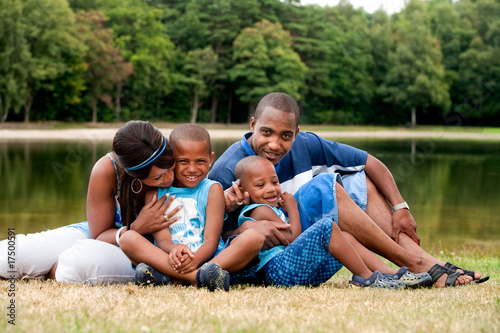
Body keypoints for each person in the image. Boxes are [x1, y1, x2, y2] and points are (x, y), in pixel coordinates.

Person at [209, 92, 488, 287]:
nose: (274, 144)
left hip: (298, 230)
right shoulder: (228, 168)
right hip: (269, 257)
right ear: (253, 125)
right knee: (322, 187)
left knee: (360, 179)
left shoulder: (308, 144)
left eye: (286, 136)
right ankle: (415, 264)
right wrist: (241, 227)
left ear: (297, 132)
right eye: (266, 132)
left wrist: (400, 207)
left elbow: (370, 162)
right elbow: (208, 235)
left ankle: (426, 264)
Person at [0, 120, 183, 284]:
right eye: (158, 177)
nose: (169, 177)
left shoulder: (183, 163)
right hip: (107, 234)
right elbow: (99, 235)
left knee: (77, 263)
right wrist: (137, 227)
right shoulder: (107, 169)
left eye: (171, 167)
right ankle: (43, 268)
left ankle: (51, 272)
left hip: (144, 250)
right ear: (133, 174)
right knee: (11, 255)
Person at [235, 155, 432, 289]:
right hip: (279, 273)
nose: (271, 189)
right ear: (244, 191)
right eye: (261, 185)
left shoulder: (270, 207)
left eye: (275, 182)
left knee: (344, 236)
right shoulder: (259, 210)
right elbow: (291, 238)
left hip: (296, 271)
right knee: (327, 226)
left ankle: (389, 273)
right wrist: (293, 208)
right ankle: (366, 276)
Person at [119, 124, 264, 291]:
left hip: (210, 258)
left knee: (254, 237)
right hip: (170, 258)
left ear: (211, 159)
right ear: (172, 160)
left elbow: (211, 240)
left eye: (200, 161)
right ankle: (199, 278)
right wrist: (174, 249)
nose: (192, 169)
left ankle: (177, 278)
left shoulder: (212, 190)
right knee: (127, 238)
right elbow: (163, 240)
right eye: (183, 162)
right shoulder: (155, 194)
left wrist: (195, 260)